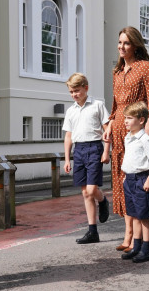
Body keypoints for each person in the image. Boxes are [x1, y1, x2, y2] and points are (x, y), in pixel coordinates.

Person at [103, 26, 149, 253]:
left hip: (136, 131)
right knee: (121, 182)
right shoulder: (116, 72)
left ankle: (138, 238)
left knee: (138, 178)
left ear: (135, 45)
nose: (122, 47)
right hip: (118, 130)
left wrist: (148, 128)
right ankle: (128, 233)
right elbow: (116, 105)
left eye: (126, 43)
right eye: (119, 43)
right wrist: (108, 126)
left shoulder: (146, 67)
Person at [62, 73, 111, 244]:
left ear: (86, 88)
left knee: (91, 190)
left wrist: (106, 151)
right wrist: (67, 159)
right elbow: (68, 136)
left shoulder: (97, 105)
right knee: (85, 193)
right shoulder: (70, 111)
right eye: (71, 92)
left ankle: (103, 201)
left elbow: (107, 131)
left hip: (95, 148)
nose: (74, 94)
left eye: (77, 90)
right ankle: (92, 231)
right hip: (79, 150)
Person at [120, 102, 149, 263]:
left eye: (130, 118)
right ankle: (136, 247)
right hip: (129, 180)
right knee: (134, 216)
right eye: (125, 118)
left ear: (141, 120)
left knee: (144, 217)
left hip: (142, 180)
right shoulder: (128, 137)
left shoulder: (145, 140)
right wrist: (126, 175)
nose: (126, 121)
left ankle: (146, 249)